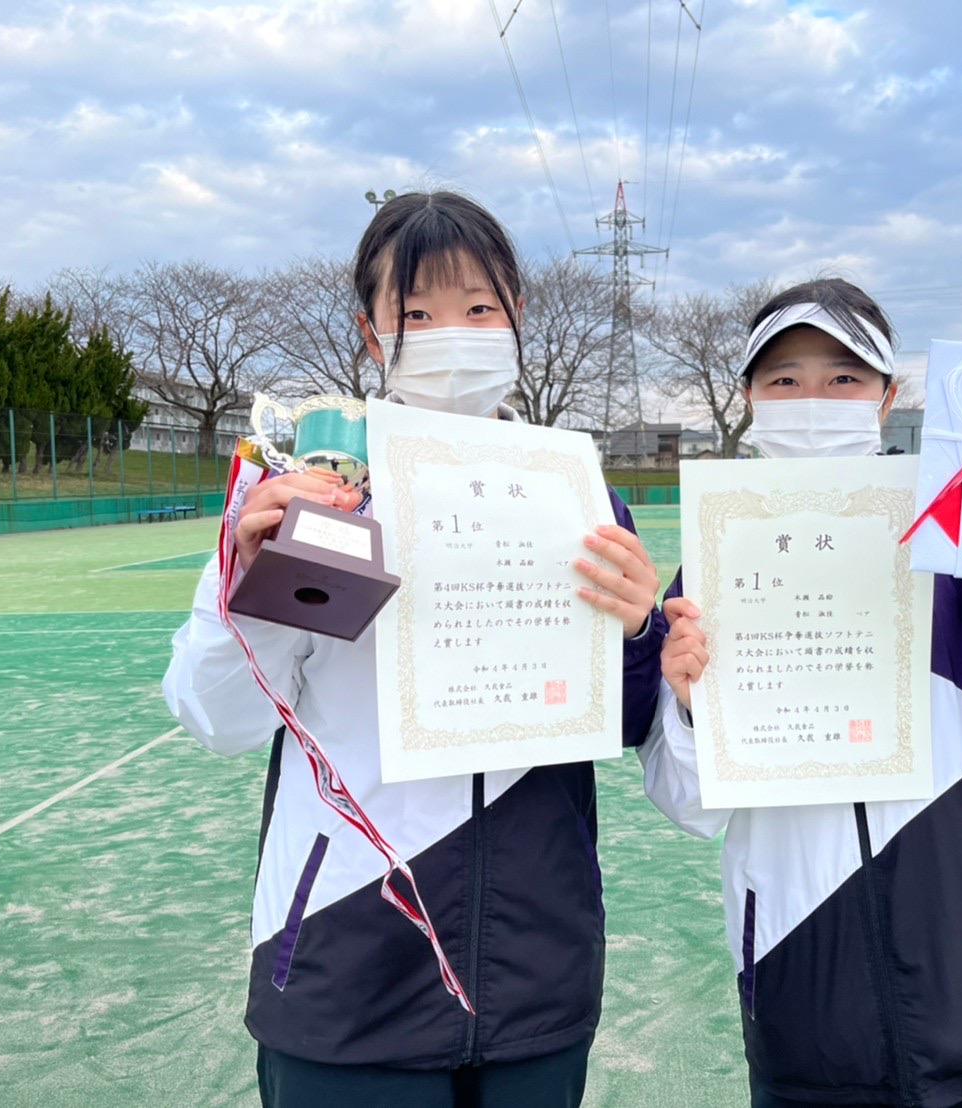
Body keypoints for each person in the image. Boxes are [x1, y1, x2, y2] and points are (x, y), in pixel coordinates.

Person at [163, 190, 667, 1108]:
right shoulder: (316, 498)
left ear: (518, 318)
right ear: (371, 334)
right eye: (418, 314)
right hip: (345, 960)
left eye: (479, 307)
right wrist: (248, 582)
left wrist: (642, 630)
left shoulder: (584, 499)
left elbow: (628, 723)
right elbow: (218, 720)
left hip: (536, 974)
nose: (454, 335)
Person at [638, 278, 962, 1107]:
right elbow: (688, 803)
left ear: (886, 397)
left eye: (843, 377)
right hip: (807, 1021)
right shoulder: (716, 562)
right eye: (785, 379)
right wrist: (692, 709)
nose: (813, 398)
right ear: (750, 399)